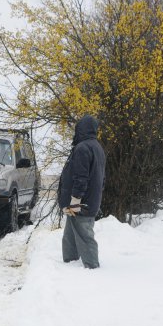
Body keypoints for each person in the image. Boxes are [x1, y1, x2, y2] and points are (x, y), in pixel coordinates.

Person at [58, 115, 106, 269]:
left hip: (81, 203)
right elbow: (101, 178)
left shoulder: (83, 148)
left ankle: (92, 267)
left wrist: (75, 200)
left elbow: (81, 178)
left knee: (85, 235)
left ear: (82, 129)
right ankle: (69, 262)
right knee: (70, 235)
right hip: (88, 200)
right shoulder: (97, 147)